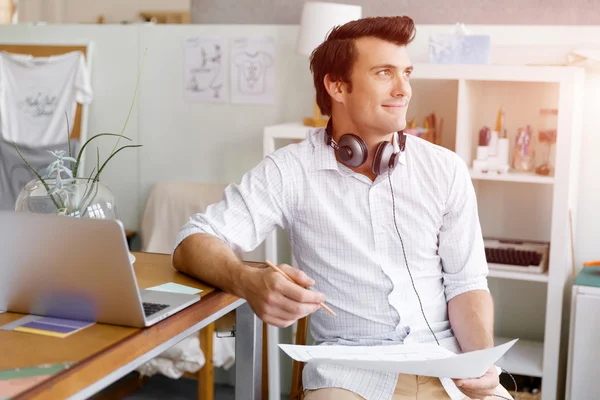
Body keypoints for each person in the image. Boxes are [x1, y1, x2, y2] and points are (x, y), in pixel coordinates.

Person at [172, 15, 513, 400]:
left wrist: (479, 361)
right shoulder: (291, 170)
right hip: (349, 375)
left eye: (407, 73)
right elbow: (192, 241)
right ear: (336, 85)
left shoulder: (445, 169)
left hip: (450, 368)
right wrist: (246, 281)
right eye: (385, 73)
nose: (404, 89)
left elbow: (467, 285)